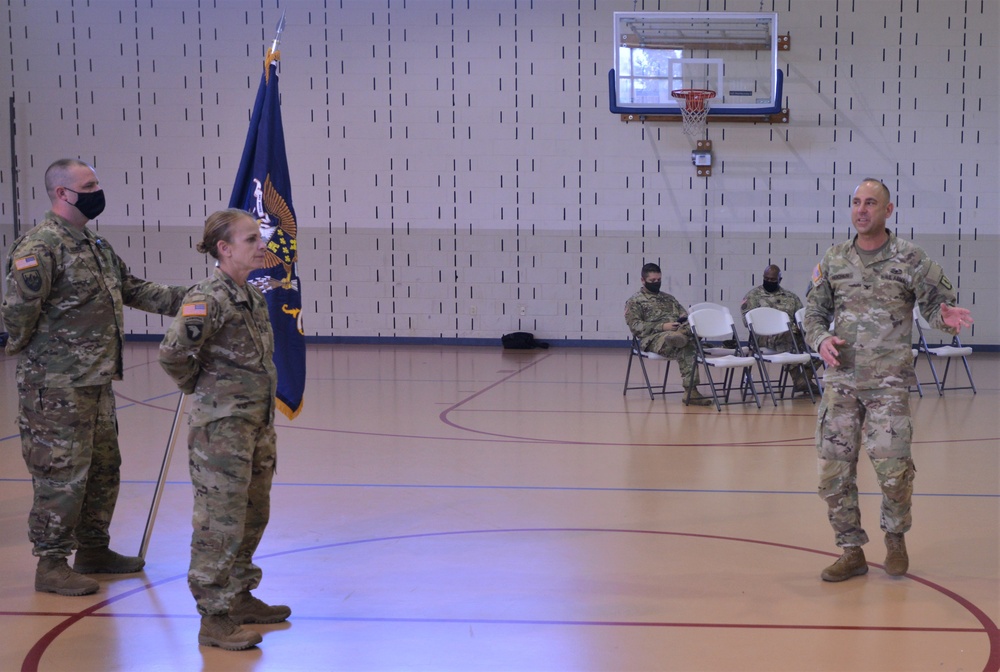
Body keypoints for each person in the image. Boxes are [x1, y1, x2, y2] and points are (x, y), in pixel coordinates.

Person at [1, 158, 188, 596]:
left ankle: (93, 550)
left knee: (103, 470)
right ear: (62, 193)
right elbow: (17, 314)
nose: (97, 190)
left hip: (96, 383)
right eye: (89, 184)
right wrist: (41, 359)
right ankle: (50, 564)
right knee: (61, 474)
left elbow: (135, 288)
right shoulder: (41, 247)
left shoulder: (93, 246)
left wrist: (197, 297)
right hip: (57, 386)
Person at [803, 178, 973, 582]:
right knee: (833, 472)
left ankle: (895, 539)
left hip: (888, 385)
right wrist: (821, 338)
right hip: (841, 383)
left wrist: (944, 317)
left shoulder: (911, 258)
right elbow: (812, 314)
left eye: (871, 203)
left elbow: (936, 306)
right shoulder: (834, 259)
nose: (862, 210)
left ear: (888, 211)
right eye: (856, 202)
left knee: (894, 471)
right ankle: (851, 551)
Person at [159, 208, 290, 650]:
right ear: (224, 247)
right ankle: (214, 617)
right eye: (251, 239)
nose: (261, 246)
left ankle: (239, 598)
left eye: (260, 238)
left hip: (255, 426)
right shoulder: (208, 297)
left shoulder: (249, 294)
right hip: (221, 431)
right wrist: (198, 387)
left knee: (253, 513)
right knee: (220, 522)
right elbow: (173, 353)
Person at [625, 262, 713, 406]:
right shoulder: (635, 301)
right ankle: (691, 391)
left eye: (658, 280)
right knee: (684, 344)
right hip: (654, 338)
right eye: (652, 281)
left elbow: (683, 314)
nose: (656, 283)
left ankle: (683, 335)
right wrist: (662, 326)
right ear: (643, 280)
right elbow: (635, 327)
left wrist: (684, 318)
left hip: (677, 331)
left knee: (689, 331)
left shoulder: (668, 298)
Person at [740, 264, 819, 396]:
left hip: (792, 333)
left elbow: (801, 318)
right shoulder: (753, 296)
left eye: (773, 280)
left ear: (779, 280)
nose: (769, 282)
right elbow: (747, 322)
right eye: (767, 279)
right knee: (787, 335)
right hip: (763, 336)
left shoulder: (790, 297)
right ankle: (798, 380)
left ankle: (804, 377)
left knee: (818, 339)